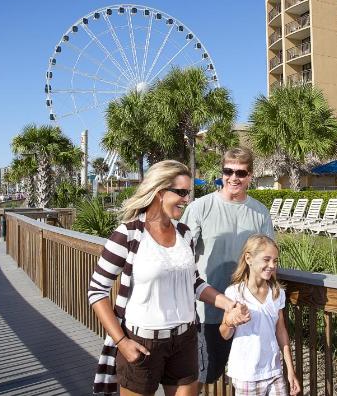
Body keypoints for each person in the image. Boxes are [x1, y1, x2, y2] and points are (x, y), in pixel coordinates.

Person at [87, 160, 250, 396]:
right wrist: (122, 341)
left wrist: (228, 304)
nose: (187, 199)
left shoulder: (184, 233)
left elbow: (193, 283)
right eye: (181, 192)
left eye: (189, 193)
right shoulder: (128, 234)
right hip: (142, 343)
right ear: (159, 192)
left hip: (185, 340)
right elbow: (97, 291)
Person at [180, 147, 274, 384]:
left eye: (241, 173)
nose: (234, 177)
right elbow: (181, 257)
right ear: (222, 172)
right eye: (228, 171)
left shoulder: (260, 213)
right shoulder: (199, 208)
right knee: (202, 377)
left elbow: (269, 261)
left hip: (247, 314)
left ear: (250, 175)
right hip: (207, 311)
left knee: (245, 378)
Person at [219, 235, 300, 396]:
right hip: (246, 375)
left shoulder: (277, 293)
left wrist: (290, 370)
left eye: (275, 261)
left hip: (273, 371)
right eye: (267, 259)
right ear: (249, 258)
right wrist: (231, 322)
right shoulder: (234, 293)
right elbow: (224, 334)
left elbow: (281, 332)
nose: (272, 265)